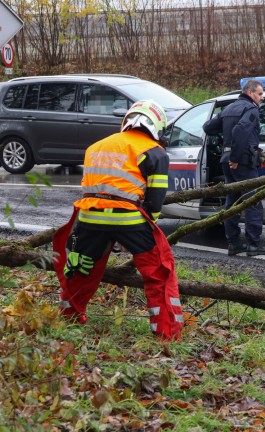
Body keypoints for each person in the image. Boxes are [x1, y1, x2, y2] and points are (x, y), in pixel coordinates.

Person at [51, 100, 184, 341]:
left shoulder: (96, 146)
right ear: (157, 125)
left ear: (127, 120)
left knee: (80, 269)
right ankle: (167, 333)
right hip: (129, 218)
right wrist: (144, 228)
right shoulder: (155, 152)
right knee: (159, 272)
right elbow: (154, 201)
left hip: (89, 217)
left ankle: (68, 319)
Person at [203, 79, 265, 257]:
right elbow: (240, 131)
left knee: (232, 202)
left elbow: (208, 127)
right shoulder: (251, 109)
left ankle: (233, 243)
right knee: (252, 201)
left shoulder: (228, 108)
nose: (262, 98)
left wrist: (227, 144)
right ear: (250, 93)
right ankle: (253, 245)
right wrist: (236, 157)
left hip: (226, 161)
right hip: (243, 162)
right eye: (260, 94)